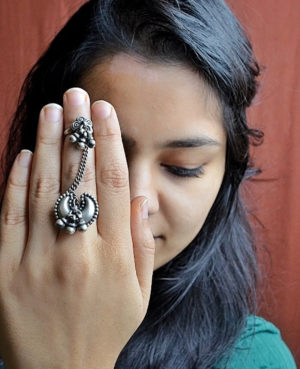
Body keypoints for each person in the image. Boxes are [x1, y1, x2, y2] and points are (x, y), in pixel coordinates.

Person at [0, 0, 297, 368]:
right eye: (103, 154)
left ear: (227, 177)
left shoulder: (255, 360)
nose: (136, 201)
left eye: (182, 168)